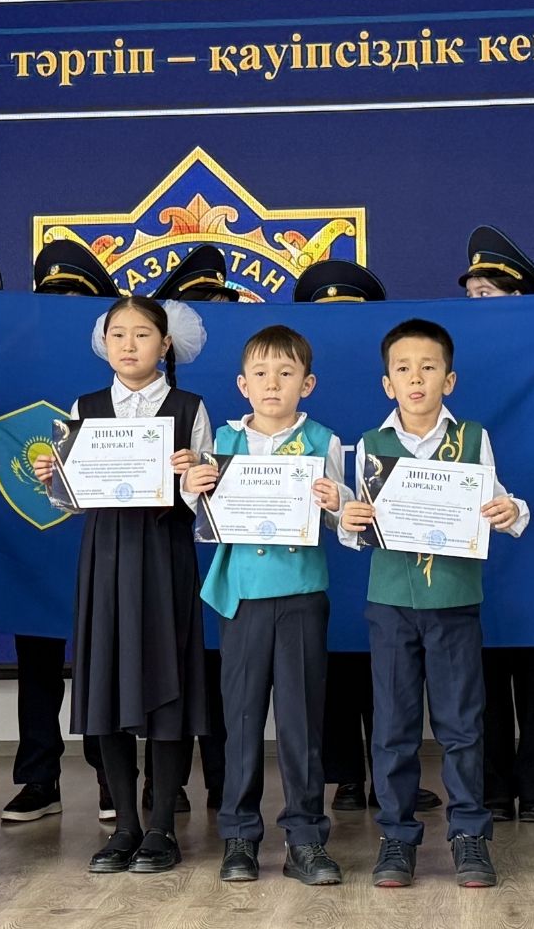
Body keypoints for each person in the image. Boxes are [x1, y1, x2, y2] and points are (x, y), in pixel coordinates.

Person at [339, 318, 530, 889]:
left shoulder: (470, 437)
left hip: (453, 601)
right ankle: (396, 837)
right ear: (387, 383)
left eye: (428, 367)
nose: (416, 378)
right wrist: (349, 519)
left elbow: (500, 502)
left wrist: (511, 511)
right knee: (393, 726)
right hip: (390, 603)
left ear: (449, 379)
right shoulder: (371, 445)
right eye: (403, 369)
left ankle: (469, 833)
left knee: (462, 724)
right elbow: (357, 529)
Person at [32, 296, 212, 873]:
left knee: (168, 683)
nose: (129, 345)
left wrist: (195, 477)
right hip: (105, 557)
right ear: (104, 343)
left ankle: (162, 827)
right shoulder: (84, 408)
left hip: (165, 555)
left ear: (166, 344)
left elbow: (206, 504)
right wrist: (54, 478)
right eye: (118, 334)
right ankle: (125, 826)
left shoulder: (189, 408)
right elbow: (72, 498)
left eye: (142, 334)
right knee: (107, 684)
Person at [184, 325, 348, 885]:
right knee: (242, 720)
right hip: (242, 598)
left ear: (307, 383)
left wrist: (336, 502)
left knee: (301, 723)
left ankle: (306, 839)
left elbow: (344, 522)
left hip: (301, 595)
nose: (272, 384)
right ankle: (239, 836)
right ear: (243, 384)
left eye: (285, 373)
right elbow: (200, 516)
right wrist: (193, 485)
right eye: (261, 373)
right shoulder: (223, 442)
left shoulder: (324, 441)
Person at [292, 262, 443, 819]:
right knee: (334, 656)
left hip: (399, 554)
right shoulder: (308, 384)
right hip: (334, 538)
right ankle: (346, 777)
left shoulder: (405, 375)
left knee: (389, 670)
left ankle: (388, 782)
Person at [457, 224, 534, 824]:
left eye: (489, 294)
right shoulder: (453, 356)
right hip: (471, 533)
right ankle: (494, 788)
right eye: (471, 295)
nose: (477, 305)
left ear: (522, 299)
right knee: (481, 670)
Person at [27, 237, 126, 820]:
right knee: (42, 650)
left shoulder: (135, 378)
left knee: (114, 654)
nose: (60, 309)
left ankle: (116, 777)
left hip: (119, 542)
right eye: (52, 298)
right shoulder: (18, 350)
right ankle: (40, 776)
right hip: (45, 536)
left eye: (75, 300)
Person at [152, 241, 233, 811]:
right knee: (157, 664)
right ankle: (161, 787)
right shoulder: (100, 404)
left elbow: (209, 490)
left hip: (203, 550)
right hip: (140, 546)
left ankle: (221, 786)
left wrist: (197, 477)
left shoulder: (194, 402)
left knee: (202, 663)